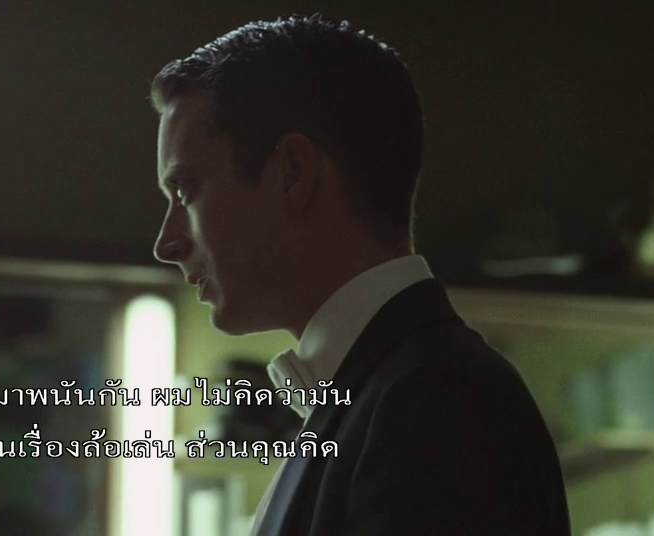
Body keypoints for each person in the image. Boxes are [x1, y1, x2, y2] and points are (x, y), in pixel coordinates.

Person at [150, 14, 571, 535]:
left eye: (186, 190)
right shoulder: (386, 396)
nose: (166, 243)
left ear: (292, 173)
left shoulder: (433, 400)